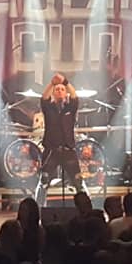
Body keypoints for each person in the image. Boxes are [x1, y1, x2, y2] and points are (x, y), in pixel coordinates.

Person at [37, 72, 82, 206]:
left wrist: (65, 82)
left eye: (62, 89)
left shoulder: (70, 108)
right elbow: (44, 98)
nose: (60, 91)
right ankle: (38, 208)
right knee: (44, 181)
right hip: (51, 150)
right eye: (57, 90)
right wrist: (52, 83)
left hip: (68, 149)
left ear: (65, 92)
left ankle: (85, 208)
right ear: (53, 93)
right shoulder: (48, 108)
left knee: (78, 181)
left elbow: (74, 96)